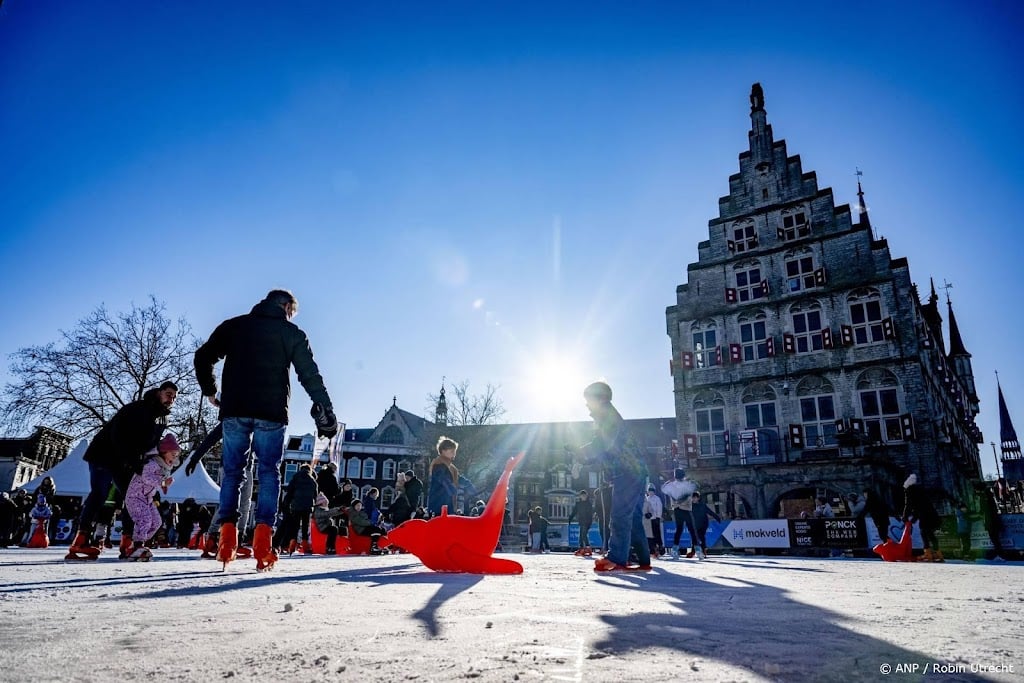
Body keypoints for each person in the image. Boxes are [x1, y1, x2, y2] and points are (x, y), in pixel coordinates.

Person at [195, 289, 337, 571]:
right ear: (286, 306)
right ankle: (263, 542)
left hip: (234, 409)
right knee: (269, 472)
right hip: (272, 412)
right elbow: (309, 374)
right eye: (292, 311)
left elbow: (203, 357)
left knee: (234, 471)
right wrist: (325, 408)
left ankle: (226, 538)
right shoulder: (291, 333)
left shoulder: (234, 326)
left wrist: (210, 390)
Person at [65, 381, 177, 561]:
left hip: (126, 462)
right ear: (159, 392)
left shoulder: (163, 418)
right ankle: (82, 538)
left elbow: (150, 445)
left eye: (174, 397)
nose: (171, 399)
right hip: (105, 454)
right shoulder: (138, 408)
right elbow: (118, 435)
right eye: (169, 394)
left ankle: (128, 541)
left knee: (133, 497)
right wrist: (134, 462)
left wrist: (156, 462)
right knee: (99, 493)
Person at [572, 381, 651, 572]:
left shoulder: (607, 415)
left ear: (600, 398)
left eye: (588, 400)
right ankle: (643, 558)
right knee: (632, 518)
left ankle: (617, 558)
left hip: (628, 471)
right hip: (636, 471)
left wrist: (581, 455)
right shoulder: (607, 416)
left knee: (620, 515)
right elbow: (604, 448)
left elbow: (602, 444)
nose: (586, 405)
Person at [123, 434, 179, 561]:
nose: (174, 458)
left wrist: (164, 484)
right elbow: (146, 477)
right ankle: (138, 545)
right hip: (135, 497)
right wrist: (163, 483)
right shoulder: (152, 463)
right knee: (146, 520)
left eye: (176, 455)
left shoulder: (163, 467)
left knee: (157, 522)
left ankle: (136, 543)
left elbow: (156, 482)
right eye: (173, 454)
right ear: (164, 452)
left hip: (147, 499)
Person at [902, 474, 942, 562]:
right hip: (932, 514)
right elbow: (919, 506)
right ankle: (938, 553)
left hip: (925, 516)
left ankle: (927, 553)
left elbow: (908, 505)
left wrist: (905, 517)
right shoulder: (920, 491)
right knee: (930, 534)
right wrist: (914, 519)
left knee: (924, 533)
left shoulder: (909, 492)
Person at [662, 468, 698, 560]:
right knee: (692, 529)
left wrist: (668, 483)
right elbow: (696, 486)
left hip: (677, 509)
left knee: (679, 529)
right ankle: (697, 548)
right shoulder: (687, 484)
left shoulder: (672, 485)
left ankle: (675, 548)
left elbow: (663, 488)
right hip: (686, 509)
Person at [427, 436, 460, 517]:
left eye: (454, 451)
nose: (454, 453)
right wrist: (453, 490)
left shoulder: (451, 467)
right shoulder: (438, 465)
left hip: (446, 503)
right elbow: (443, 480)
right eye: (452, 451)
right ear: (443, 451)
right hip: (440, 504)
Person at [690, 491, 721, 560]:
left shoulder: (702, 505)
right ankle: (693, 552)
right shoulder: (690, 506)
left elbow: (710, 512)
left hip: (704, 523)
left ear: (698, 498)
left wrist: (717, 517)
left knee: (701, 537)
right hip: (695, 524)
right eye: (693, 498)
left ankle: (703, 551)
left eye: (695, 498)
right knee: (695, 538)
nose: (694, 499)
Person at [567, 489, 595, 556]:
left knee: (584, 534)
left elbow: (590, 514)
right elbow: (574, 511)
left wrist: (590, 522)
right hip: (581, 521)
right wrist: (570, 518)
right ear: (580, 496)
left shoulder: (589, 504)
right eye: (582, 496)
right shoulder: (578, 504)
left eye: (584, 496)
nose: (583, 497)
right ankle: (581, 547)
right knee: (581, 535)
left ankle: (588, 547)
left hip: (587, 521)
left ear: (586, 496)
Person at [642, 485, 665, 558]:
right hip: (648, 521)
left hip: (655, 518)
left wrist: (658, 516)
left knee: (657, 534)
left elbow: (659, 508)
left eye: (652, 491)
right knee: (650, 536)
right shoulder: (647, 499)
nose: (650, 492)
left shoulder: (657, 499)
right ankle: (652, 549)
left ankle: (660, 547)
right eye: (649, 491)